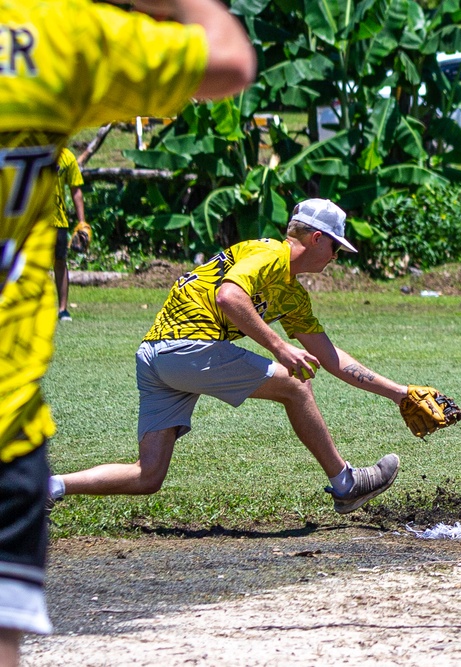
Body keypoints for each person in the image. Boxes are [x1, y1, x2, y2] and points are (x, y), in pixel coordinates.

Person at [0, 0, 256, 663]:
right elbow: (229, 59)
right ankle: (341, 477)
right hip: (10, 425)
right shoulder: (53, 33)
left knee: (152, 475)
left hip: (126, 368)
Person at [49, 199, 438, 519]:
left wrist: (399, 393)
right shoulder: (269, 254)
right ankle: (346, 484)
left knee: (147, 475)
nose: (336, 257)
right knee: (295, 384)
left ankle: (49, 487)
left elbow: (331, 357)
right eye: (336, 247)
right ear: (317, 238)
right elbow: (228, 297)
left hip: (157, 356)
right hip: (186, 348)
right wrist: (279, 347)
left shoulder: (292, 295)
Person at [49, 148, 86, 322]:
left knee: (60, 262)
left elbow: (75, 190)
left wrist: (82, 222)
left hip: (57, 220)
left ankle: (63, 309)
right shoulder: (31, 152)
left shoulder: (67, 156)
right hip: (31, 219)